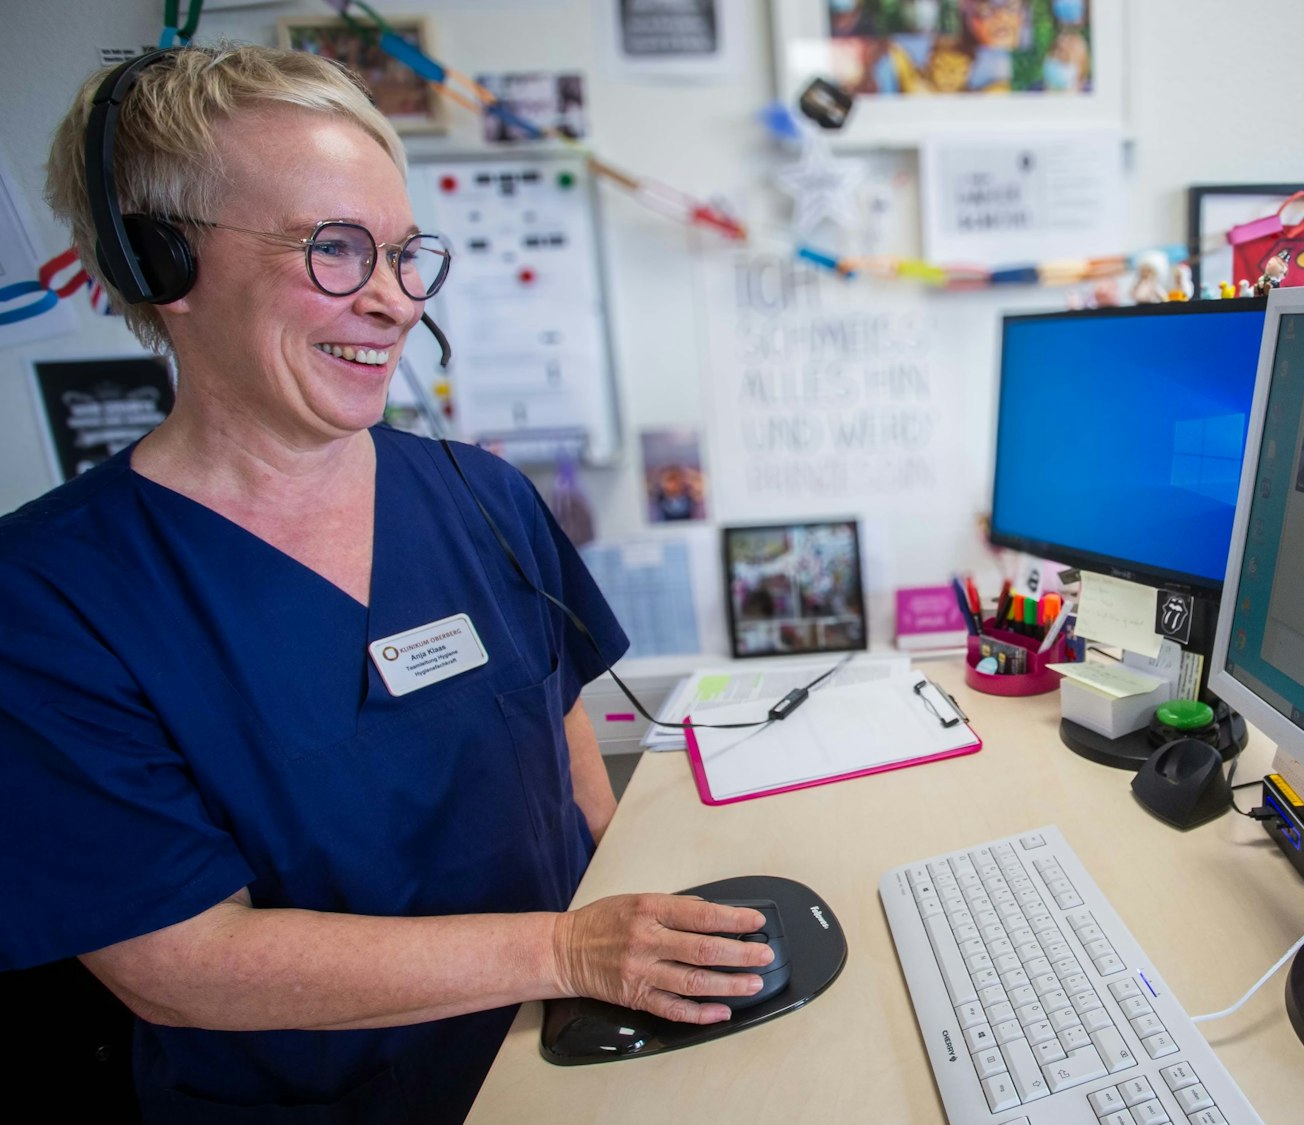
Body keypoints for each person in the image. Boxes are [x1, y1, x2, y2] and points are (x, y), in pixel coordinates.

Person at [2, 46, 773, 1123]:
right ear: (157, 264)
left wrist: (609, 940)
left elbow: (562, 737)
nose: (393, 302)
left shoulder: (481, 496)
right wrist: (564, 950)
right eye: (334, 249)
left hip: (569, 1052)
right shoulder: (49, 599)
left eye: (407, 255)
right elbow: (176, 959)